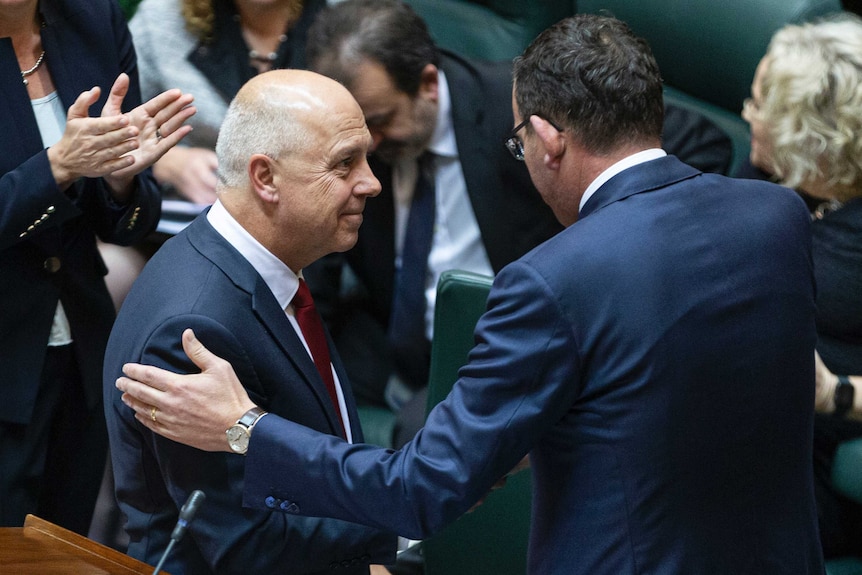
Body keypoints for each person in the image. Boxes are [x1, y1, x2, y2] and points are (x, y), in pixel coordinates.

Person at [115, 14, 824, 574]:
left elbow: (423, 489)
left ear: (547, 141)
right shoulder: (778, 217)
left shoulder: (552, 282)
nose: (367, 182)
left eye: (518, 146)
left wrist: (245, 426)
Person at [302, 0, 732, 448]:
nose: (367, 144)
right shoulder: (362, 141)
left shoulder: (518, 110)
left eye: (379, 122)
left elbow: (701, 144)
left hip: (498, 342)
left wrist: (595, 248)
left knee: (423, 436)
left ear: (428, 84)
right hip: (392, 333)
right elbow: (321, 256)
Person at [103, 69, 396, 574]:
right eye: (345, 164)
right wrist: (405, 510)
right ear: (265, 178)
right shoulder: (191, 330)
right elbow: (244, 545)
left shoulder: (263, 267)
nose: (371, 182)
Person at [0, 0, 194, 535]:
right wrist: (57, 167)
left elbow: (126, 223)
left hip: (81, 351)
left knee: (63, 543)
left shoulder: (92, 20)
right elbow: (61, 169)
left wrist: (119, 179)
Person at [738, 13, 862, 561]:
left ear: (809, 139)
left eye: (759, 103)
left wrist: (833, 392)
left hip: (798, 466)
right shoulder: (764, 178)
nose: (744, 112)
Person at [130, 0, 326, 205]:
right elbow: (114, 127)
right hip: (200, 215)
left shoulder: (345, 14)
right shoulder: (162, 19)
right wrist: (167, 163)